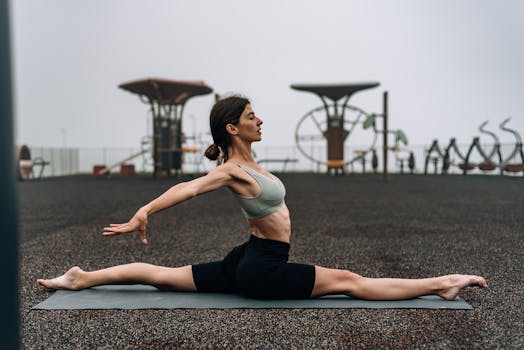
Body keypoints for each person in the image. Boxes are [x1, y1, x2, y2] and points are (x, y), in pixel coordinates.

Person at [38, 95, 487, 300]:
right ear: (233, 128)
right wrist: (145, 210)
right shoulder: (231, 170)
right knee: (351, 282)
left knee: (164, 276)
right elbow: (189, 188)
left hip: (246, 257)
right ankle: (441, 283)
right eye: (252, 116)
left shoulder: (249, 165)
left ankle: (82, 278)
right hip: (263, 268)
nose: (260, 120)